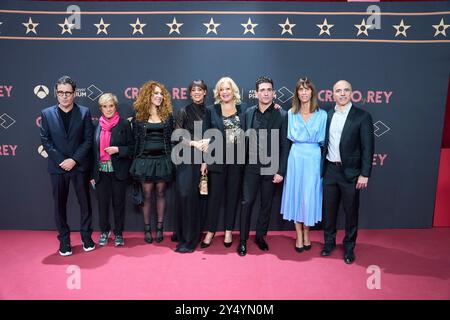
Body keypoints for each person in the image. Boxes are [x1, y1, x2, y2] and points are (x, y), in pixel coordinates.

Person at [40, 75, 95, 256]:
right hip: (58, 167)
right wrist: (62, 161)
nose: (64, 96)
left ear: (74, 94)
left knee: (85, 204)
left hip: (79, 166)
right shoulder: (47, 113)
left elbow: (88, 140)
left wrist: (74, 160)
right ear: (56, 93)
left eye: (68, 93)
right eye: (61, 92)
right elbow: (46, 140)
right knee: (59, 206)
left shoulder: (85, 112)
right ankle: (64, 241)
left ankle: (87, 237)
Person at [321, 80, 374, 264]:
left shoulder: (362, 116)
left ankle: (349, 248)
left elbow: (368, 148)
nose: (342, 94)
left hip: (351, 173)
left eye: (345, 90)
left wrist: (364, 174)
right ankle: (329, 243)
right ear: (332, 94)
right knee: (329, 211)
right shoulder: (327, 115)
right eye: (338, 91)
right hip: (329, 170)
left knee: (351, 212)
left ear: (351, 93)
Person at [237, 76, 290, 256]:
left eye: (269, 90)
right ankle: (242, 240)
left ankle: (260, 237)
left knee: (266, 204)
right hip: (250, 166)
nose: (266, 93)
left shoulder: (282, 114)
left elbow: (285, 145)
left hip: (271, 168)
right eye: (262, 90)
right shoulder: (248, 113)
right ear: (256, 93)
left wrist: (281, 170)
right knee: (247, 203)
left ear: (273, 93)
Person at [280, 78, 327, 252]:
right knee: (296, 194)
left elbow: (325, 142)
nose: (304, 92)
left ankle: (308, 233)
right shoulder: (290, 113)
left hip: (314, 157)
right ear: (297, 93)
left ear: (312, 92)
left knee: (309, 196)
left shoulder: (322, 115)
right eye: (301, 89)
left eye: (307, 89)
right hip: (296, 157)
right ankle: (299, 235)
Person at [200, 77, 246, 249]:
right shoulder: (211, 110)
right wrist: (204, 161)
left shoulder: (244, 109)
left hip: (237, 160)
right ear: (218, 92)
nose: (225, 92)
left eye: (228, 88)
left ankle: (228, 230)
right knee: (215, 197)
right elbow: (205, 137)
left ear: (233, 90)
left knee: (232, 196)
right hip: (216, 159)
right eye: (221, 89)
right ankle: (211, 230)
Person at [130, 81, 175, 244]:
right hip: (144, 160)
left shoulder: (167, 115)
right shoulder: (139, 115)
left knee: (161, 193)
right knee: (147, 194)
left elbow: (171, 139)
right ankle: (147, 229)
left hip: (163, 159)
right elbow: (135, 139)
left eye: (161, 93)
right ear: (147, 96)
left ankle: (160, 228)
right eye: (155, 93)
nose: (159, 96)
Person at [91, 93, 133, 247]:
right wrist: (91, 174)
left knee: (118, 204)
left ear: (115, 107)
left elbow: (132, 148)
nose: (108, 109)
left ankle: (119, 233)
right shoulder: (96, 127)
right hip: (100, 172)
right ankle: (104, 231)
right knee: (102, 204)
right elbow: (92, 153)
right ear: (100, 108)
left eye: (111, 106)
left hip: (118, 172)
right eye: (104, 106)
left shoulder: (123, 124)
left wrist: (118, 150)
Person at [172, 80, 209, 253]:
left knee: (196, 200)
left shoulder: (210, 112)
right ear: (190, 93)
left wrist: (205, 161)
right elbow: (177, 136)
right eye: (193, 90)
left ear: (205, 92)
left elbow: (213, 138)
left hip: (204, 160)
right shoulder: (183, 111)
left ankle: (191, 238)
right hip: (186, 159)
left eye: (199, 90)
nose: (196, 92)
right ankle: (183, 235)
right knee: (185, 195)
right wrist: (194, 143)